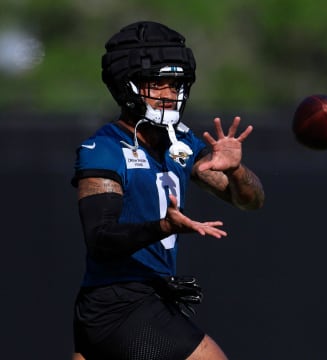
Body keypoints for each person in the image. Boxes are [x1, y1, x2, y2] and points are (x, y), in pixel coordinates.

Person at [71, 20, 265, 360]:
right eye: (157, 83)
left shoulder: (183, 143)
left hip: (142, 299)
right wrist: (162, 226)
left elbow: (250, 202)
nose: (168, 95)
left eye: (175, 84)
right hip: (118, 303)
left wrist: (236, 171)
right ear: (126, 86)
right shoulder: (104, 148)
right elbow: (100, 239)